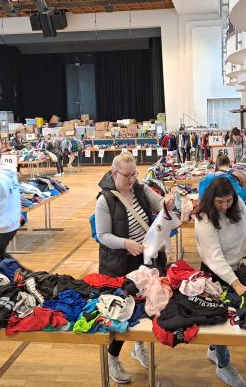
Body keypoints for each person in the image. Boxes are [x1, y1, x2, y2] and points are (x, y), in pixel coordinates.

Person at [95, 152, 174, 384]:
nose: (132, 180)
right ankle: (112, 359)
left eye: (134, 175)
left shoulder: (140, 189)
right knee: (121, 313)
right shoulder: (105, 200)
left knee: (145, 308)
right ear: (114, 174)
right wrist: (125, 244)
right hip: (119, 265)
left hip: (145, 261)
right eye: (127, 176)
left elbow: (160, 203)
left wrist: (167, 201)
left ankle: (139, 347)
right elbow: (102, 235)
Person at [194, 176, 246, 387]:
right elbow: (214, 258)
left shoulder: (238, 203)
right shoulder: (204, 219)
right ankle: (223, 364)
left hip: (241, 267)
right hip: (216, 273)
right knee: (221, 318)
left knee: (233, 314)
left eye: (228, 201)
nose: (224, 206)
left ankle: (215, 349)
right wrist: (235, 283)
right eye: (220, 202)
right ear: (211, 199)